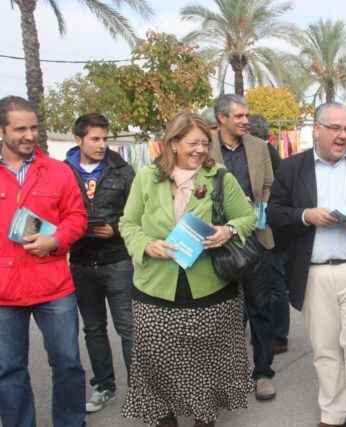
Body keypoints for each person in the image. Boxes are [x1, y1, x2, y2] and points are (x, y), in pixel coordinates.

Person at [119, 110, 257, 426]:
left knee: (206, 371)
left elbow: (247, 218)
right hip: (154, 290)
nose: (200, 150)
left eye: (205, 144)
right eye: (193, 143)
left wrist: (228, 230)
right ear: (174, 143)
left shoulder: (220, 176)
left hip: (211, 291)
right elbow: (127, 223)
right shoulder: (146, 177)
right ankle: (165, 418)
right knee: (158, 369)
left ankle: (204, 418)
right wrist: (145, 245)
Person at [266, 102, 346, 427]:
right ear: (316, 129)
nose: (343, 136)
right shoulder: (291, 167)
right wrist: (305, 215)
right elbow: (274, 214)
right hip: (313, 272)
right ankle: (333, 413)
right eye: (335, 128)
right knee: (324, 347)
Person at [0, 96, 88, 426]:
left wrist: (55, 240)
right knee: (8, 369)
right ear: (2, 130)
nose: (29, 135)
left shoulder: (58, 172)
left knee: (67, 363)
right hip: (4, 291)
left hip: (53, 286)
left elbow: (77, 217)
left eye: (33, 127)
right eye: (20, 128)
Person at [65, 113, 136, 413]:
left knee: (128, 328)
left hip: (117, 260)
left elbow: (137, 213)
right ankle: (103, 387)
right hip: (81, 262)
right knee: (93, 329)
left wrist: (115, 229)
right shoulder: (62, 172)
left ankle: (139, 388)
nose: (101, 145)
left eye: (105, 139)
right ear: (78, 140)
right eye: (95, 139)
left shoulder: (123, 170)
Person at [210, 95, 278, 400]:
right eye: (238, 116)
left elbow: (268, 185)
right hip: (216, 241)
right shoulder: (204, 148)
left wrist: (256, 207)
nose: (244, 121)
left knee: (261, 307)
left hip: (255, 238)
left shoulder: (258, 146)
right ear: (221, 118)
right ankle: (227, 375)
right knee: (223, 313)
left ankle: (263, 372)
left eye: (246, 115)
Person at [247, 113, 290, 355]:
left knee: (274, 284)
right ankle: (275, 334)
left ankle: (278, 336)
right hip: (270, 229)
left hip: (269, 230)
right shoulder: (269, 151)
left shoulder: (265, 155)